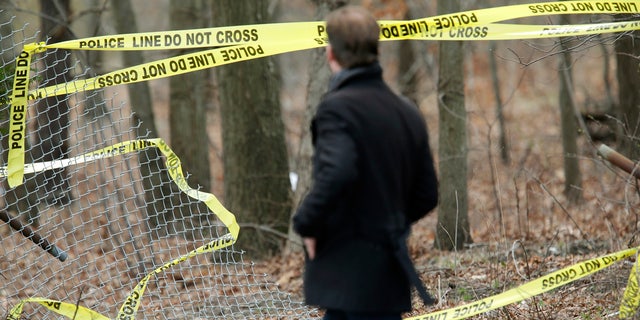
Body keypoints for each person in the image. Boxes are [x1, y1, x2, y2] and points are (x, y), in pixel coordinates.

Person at [292, 5, 439, 320]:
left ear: (331, 53)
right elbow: (427, 194)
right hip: (385, 274)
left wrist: (306, 223)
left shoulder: (337, 109)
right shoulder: (407, 111)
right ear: (377, 51)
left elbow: (337, 173)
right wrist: (388, 222)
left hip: (352, 274)